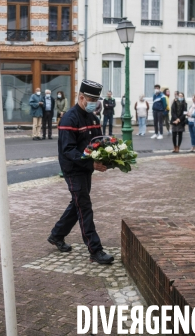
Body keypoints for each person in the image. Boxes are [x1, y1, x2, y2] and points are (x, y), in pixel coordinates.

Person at [48, 80, 114, 265]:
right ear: (81, 97)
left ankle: (56, 235)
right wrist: (92, 163)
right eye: (91, 99)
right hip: (73, 169)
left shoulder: (93, 118)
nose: (94, 103)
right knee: (84, 207)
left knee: (77, 203)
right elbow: (68, 150)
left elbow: (98, 142)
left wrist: (108, 156)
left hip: (86, 167)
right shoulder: (70, 118)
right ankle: (96, 250)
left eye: (96, 100)